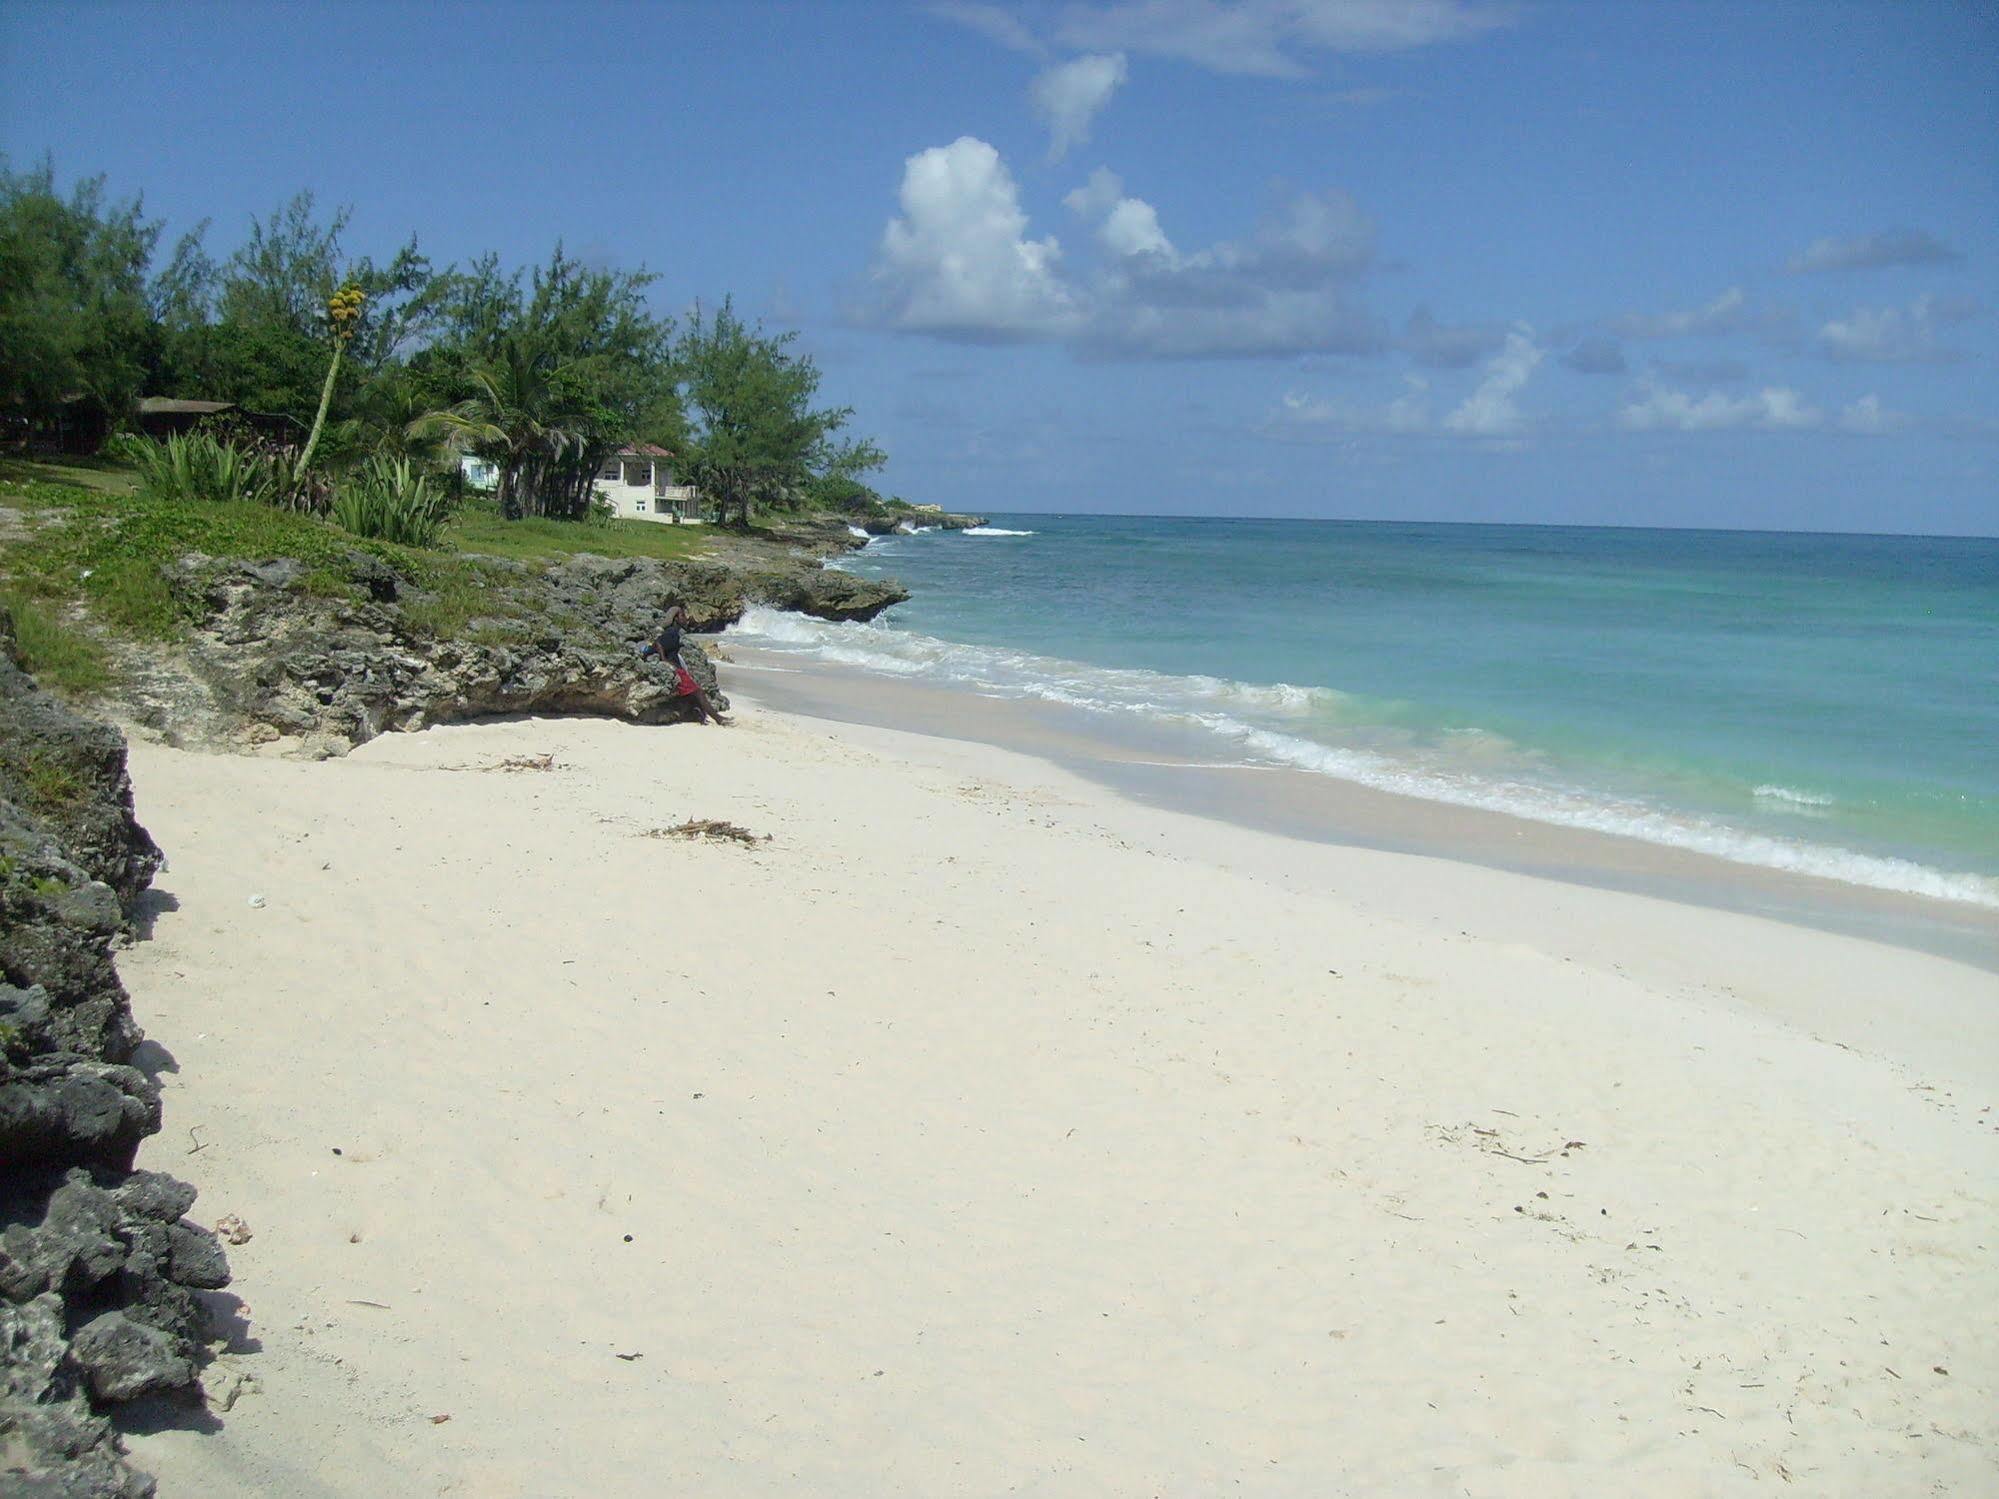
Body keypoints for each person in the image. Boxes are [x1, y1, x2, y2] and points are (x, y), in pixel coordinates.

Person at [640, 606, 730, 725]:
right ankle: (719, 719)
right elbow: (658, 644)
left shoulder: (674, 633)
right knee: (699, 692)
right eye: (682, 615)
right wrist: (664, 659)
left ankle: (702, 716)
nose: (685, 618)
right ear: (675, 619)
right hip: (676, 670)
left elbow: (658, 643)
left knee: (695, 695)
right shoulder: (672, 633)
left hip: (677, 668)